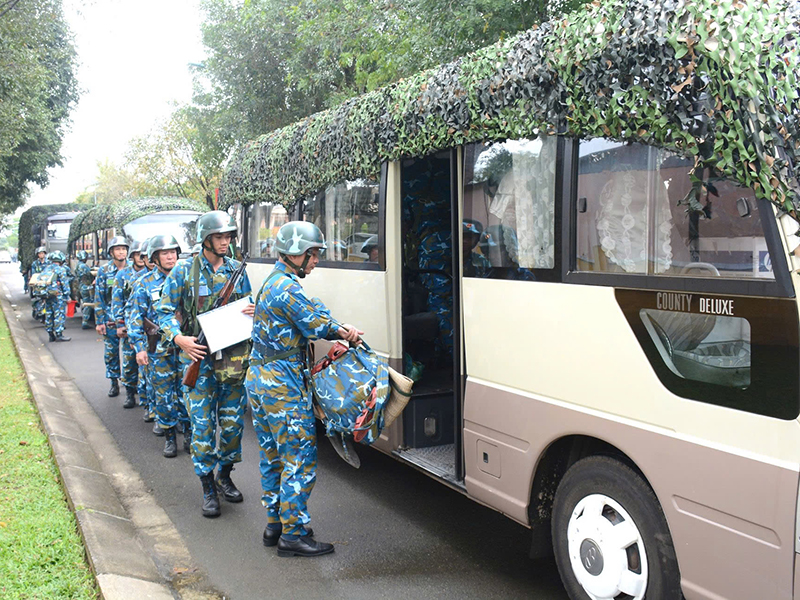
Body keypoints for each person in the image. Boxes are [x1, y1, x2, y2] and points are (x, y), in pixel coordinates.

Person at [246, 221, 362, 558]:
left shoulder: (273, 282)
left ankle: (276, 524)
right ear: (297, 254)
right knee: (298, 456)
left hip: (260, 379)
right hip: (281, 384)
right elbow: (316, 324)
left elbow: (311, 315)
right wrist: (346, 332)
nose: (315, 262)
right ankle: (293, 535)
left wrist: (328, 320)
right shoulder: (288, 289)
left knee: (272, 456)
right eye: (313, 255)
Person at [156, 210, 253, 518]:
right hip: (199, 360)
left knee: (233, 425)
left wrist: (252, 311)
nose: (225, 242)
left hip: (232, 361)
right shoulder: (185, 271)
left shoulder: (237, 269)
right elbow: (163, 311)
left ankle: (225, 474)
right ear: (205, 240)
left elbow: (246, 306)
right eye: (219, 237)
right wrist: (179, 338)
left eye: (228, 237)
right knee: (202, 427)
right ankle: (207, 485)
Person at [129, 235, 190, 458]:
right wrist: (139, 348)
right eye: (164, 253)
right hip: (159, 350)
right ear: (155, 257)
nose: (170, 256)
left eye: (173, 252)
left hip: (185, 348)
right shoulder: (144, 284)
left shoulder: (187, 279)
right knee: (164, 397)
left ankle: (190, 436)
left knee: (187, 393)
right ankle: (170, 438)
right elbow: (136, 317)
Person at [112, 241, 147, 409]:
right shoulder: (123, 275)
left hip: (145, 326)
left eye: (144, 254)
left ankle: (146, 399)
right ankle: (129, 393)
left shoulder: (151, 274)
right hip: (128, 324)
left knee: (145, 365)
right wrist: (119, 323)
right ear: (132, 256)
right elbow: (117, 300)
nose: (140, 257)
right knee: (128, 362)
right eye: (138, 254)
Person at [94, 236, 130, 398]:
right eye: (117, 249)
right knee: (111, 353)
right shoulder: (105, 271)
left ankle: (131, 384)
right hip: (110, 319)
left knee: (130, 353)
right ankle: (114, 382)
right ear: (111, 252)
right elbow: (99, 297)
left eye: (123, 249)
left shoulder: (132, 269)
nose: (121, 252)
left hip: (129, 318)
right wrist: (100, 321)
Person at [42, 251, 71, 342]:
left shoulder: (46, 269)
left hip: (47, 295)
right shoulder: (61, 269)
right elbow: (64, 284)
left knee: (49, 313)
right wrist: (67, 296)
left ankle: (50, 334)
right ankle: (59, 334)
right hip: (58, 296)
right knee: (59, 314)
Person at [74, 250, 96, 329]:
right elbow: (89, 274)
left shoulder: (78, 265)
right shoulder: (83, 266)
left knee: (86, 302)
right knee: (88, 304)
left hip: (81, 286)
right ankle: (85, 321)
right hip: (86, 286)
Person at [30, 246, 49, 322]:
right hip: (38, 285)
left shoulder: (49, 263)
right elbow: (34, 274)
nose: (41, 255)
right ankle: (38, 312)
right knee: (37, 299)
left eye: (42, 253)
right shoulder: (35, 264)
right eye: (39, 254)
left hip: (47, 284)